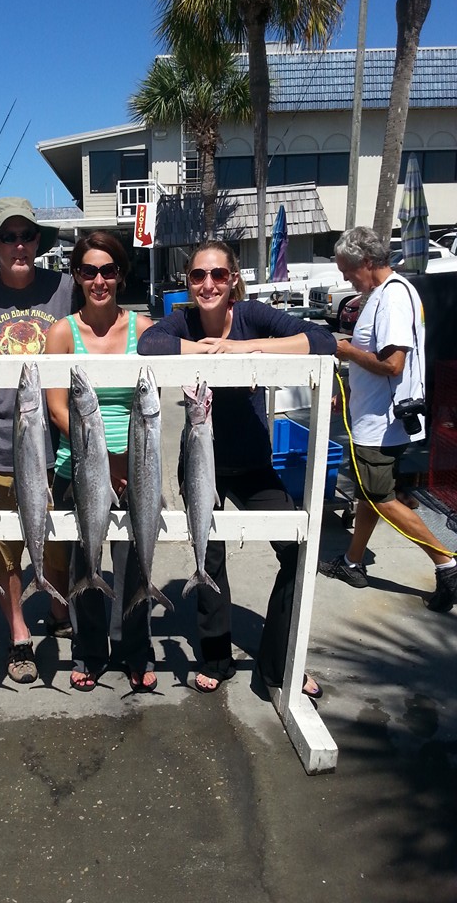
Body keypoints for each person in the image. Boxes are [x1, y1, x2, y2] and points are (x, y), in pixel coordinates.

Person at [137, 239, 336, 695]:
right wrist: (205, 351)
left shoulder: (252, 316)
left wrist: (246, 349)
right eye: (198, 275)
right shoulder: (182, 320)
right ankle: (216, 657)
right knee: (209, 560)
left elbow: (323, 339)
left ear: (233, 280)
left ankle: (279, 662)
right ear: (188, 282)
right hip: (199, 464)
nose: (208, 284)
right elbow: (150, 344)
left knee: (298, 553)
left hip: (252, 464)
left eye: (218, 275)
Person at [0, 197, 74, 683]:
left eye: (27, 235)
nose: (19, 245)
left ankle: (60, 608)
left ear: (38, 242)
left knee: (59, 544)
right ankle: (20, 635)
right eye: (8, 237)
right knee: (4, 551)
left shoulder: (66, 288)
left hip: (59, 447)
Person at [317, 226, 457, 610]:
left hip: (380, 425)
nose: (346, 277)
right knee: (370, 493)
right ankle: (353, 562)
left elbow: (393, 364)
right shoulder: (384, 293)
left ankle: (447, 564)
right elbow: (379, 356)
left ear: (365, 262)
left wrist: (346, 351)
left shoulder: (391, 297)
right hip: (378, 418)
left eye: (347, 270)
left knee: (380, 497)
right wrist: (349, 386)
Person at [44, 231, 156, 691]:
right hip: (78, 463)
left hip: (137, 465)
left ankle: (136, 649)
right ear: (76, 275)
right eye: (89, 271)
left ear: (121, 275)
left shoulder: (144, 329)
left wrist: (127, 462)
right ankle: (89, 650)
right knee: (84, 561)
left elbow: (152, 402)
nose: (99, 280)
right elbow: (57, 408)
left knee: (136, 561)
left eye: (108, 270)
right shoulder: (61, 333)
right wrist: (106, 461)